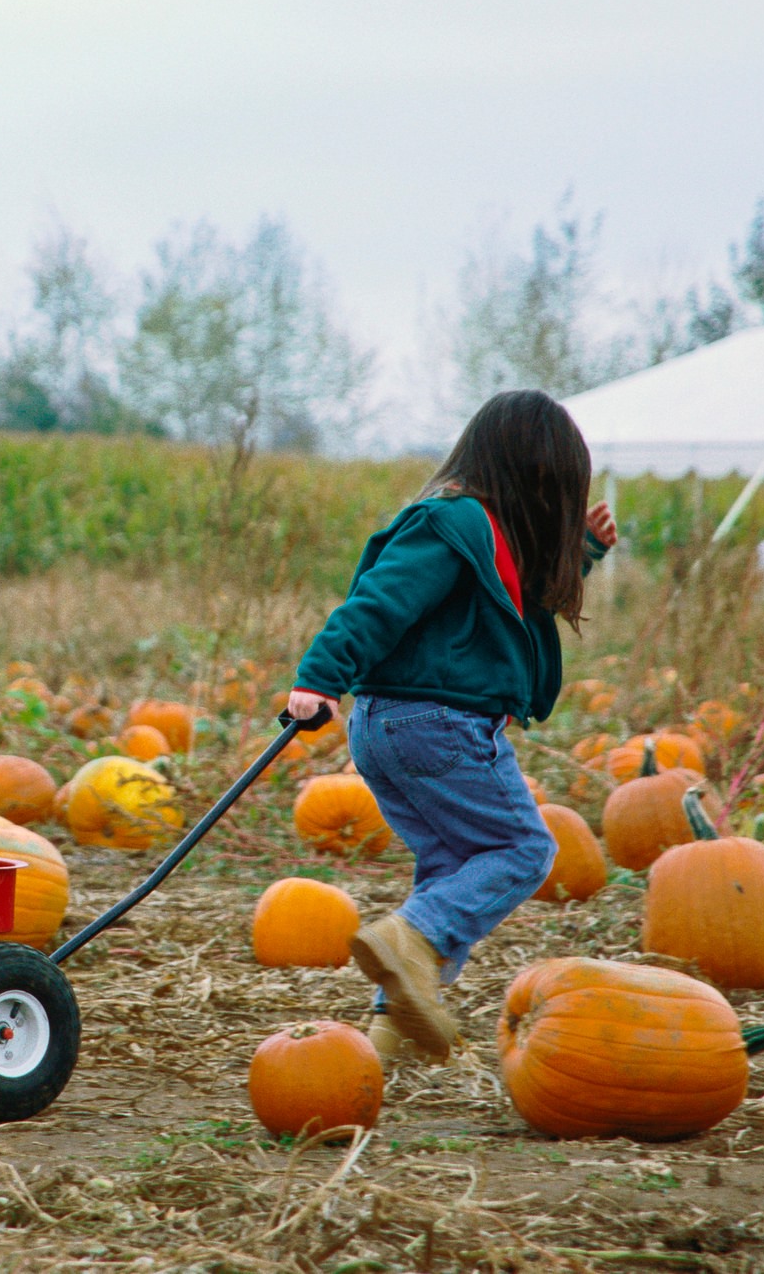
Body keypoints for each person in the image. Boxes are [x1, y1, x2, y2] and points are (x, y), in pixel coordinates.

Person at [285, 390, 615, 1063]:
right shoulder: (446, 524)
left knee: (449, 866)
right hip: (437, 724)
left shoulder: (483, 532)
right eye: (555, 490)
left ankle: (393, 1032)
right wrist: (319, 677)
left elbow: (516, 600)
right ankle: (411, 941)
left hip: (391, 729)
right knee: (523, 850)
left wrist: (581, 551)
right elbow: (375, 603)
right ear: (530, 476)